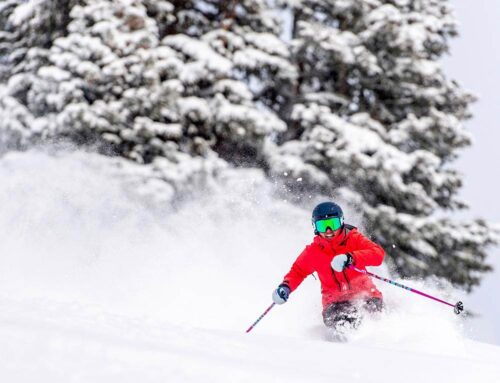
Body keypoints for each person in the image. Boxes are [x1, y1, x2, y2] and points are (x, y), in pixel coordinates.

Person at [272, 201, 385, 336]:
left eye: (333, 224)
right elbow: (297, 272)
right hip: (335, 303)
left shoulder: (354, 239)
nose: (328, 231)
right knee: (347, 323)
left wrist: (351, 257)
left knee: (376, 319)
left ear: (341, 222)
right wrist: (286, 287)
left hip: (367, 295)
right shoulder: (313, 252)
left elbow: (378, 254)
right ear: (315, 227)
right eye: (322, 226)